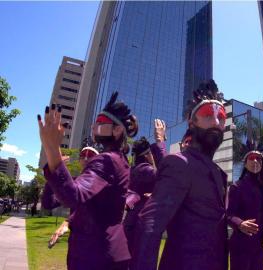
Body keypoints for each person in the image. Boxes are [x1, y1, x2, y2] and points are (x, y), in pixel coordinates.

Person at [133, 79, 228, 270]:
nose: (217, 123)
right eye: (208, 115)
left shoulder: (218, 172)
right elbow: (150, 226)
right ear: (191, 123)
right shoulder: (179, 163)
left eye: (222, 117)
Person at [37, 92, 138, 270]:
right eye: (95, 123)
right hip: (108, 252)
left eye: (101, 123)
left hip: (94, 255)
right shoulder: (119, 160)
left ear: (117, 130)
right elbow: (49, 202)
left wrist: (52, 149)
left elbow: (71, 197)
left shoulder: (106, 160)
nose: (94, 127)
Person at [124, 119, 167, 257]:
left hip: (132, 221)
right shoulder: (146, 170)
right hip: (141, 223)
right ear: (148, 155)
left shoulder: (135, 169)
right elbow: (167, 173)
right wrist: (160, 140)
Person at [42, 147, 99, 248]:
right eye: (82, 156)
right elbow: (48, 203)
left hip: (96, 242)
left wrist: (67, 221)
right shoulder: (73, 183)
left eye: (90, 155)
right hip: (75, 243)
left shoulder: (102, 183)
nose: (85, 158)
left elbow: (89, 209)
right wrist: (53, 172)